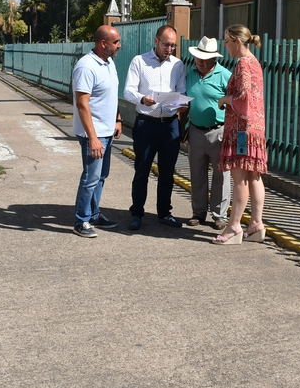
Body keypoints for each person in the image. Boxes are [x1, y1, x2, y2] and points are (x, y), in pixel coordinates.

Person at [123, 24, 187, 231]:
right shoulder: (139, 61)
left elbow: (181, 90)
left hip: (170, 124)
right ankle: (137, 213)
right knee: (142, 170)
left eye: (173, 45)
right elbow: (128, 91)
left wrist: (181, 102)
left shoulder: (178, 65)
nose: (169, 49)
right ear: (156, 41)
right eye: (166, 44)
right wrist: (142, 98)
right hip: (146, 123)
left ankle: (164, 212)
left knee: (167, 172)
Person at [214, 24, 267, 245]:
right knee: (254, 176)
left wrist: (226, 100)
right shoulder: (255, 63)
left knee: (240, 177)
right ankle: (256, 223)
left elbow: (244, 100)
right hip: (254, 129)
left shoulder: (243, 65)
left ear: (237, 41)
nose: (225, 46)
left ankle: (234, 226)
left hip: (241, 131)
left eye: (226, 42)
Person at [71, 25, 123, 238]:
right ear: (103, 43)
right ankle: (81, 220)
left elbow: (112, 93)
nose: (119, 45)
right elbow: (82, 104)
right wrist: (93, 138)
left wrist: (117, 119)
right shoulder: (86, 66)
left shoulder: (109, 62)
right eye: (116, 42)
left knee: (101, 175)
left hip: (107, 130)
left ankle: (93, 214)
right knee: (91, 177)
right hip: (93, 133)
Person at [181, 36, 231, 231]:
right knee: (197, 173)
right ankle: (198, 212)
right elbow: (185, 103)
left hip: (219, 131)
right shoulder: (190, 75)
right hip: (195, 131)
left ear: (213, 59)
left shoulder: (224, 75)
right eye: (197, 58)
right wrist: (183, 127)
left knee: (221, 174)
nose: (200, 62)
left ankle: (219, 215)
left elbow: (235, 102)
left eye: (204, 59)